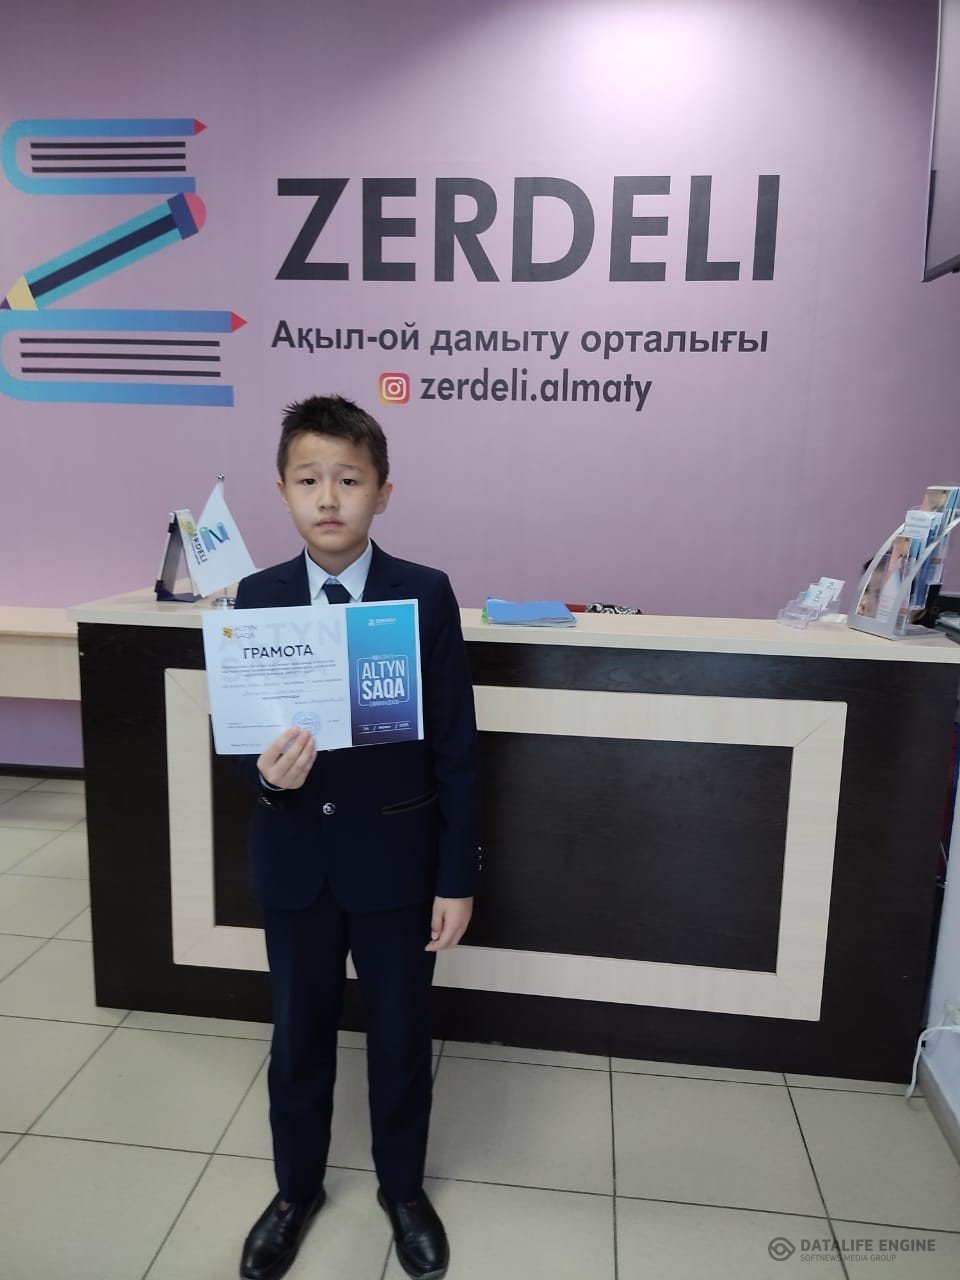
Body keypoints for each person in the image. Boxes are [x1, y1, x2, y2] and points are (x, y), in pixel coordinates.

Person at [235, 395, 480, 1280]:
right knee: (297, 1038)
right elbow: (239, 741)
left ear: (383, 491)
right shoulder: (256, 598)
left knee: (400, 1038)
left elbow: (456, 747)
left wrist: (457, 877)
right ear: (283, 492)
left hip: (397, 868)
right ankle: (294, 1191)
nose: (329, 498)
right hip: (297, 866)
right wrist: (268, 779)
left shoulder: (424, 594)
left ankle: (402, 1191)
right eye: (309, 480)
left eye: (349, 479)